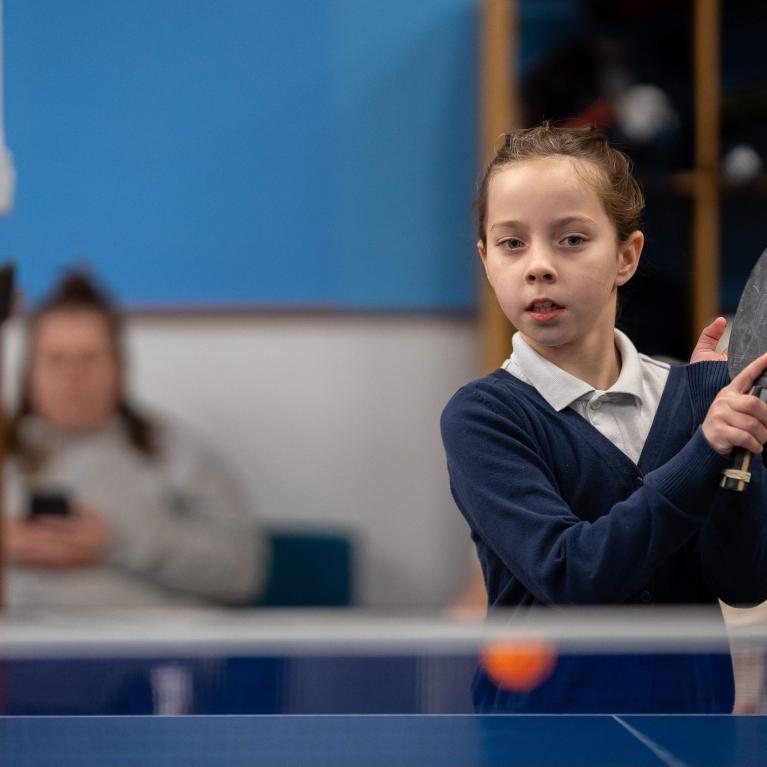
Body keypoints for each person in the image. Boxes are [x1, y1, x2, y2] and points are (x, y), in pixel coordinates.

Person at [440, 123, 767, 713]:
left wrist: (736, 443)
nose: (538, 265)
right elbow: (573, 575)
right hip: (542, 743)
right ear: (487, 260)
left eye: (570, 239)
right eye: (512, 243)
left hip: (693, 734)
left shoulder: (693, 398)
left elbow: (742, 582)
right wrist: (703, 449)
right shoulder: (483, 417)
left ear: (626, 256)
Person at [3, 271, 265, 609]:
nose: (72, 375)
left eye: (89, 358)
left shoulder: (177, 454)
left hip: (155, 654)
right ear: (29, 372)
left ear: (120, 366)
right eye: (55, 359)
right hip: (19, 654)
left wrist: (119, 541)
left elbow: (245, 572)